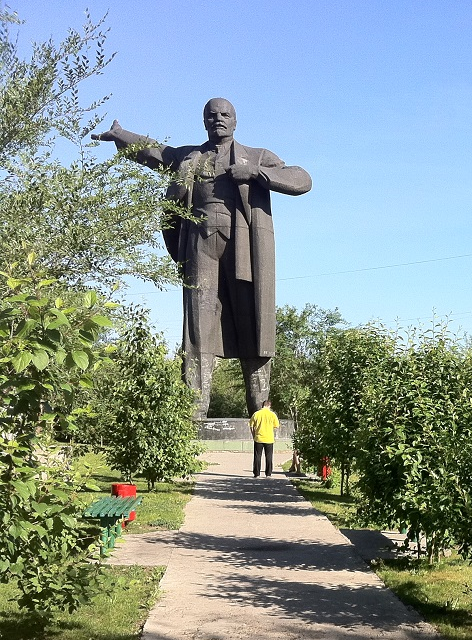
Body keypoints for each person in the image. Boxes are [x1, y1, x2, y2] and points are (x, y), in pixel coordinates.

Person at [93, 98, 312, 418]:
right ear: (204, 122)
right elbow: (156, 152)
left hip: (243, 248)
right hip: (199, 243)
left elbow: (302, 179)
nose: (218, 119)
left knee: (253, 325)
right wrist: (122, 135)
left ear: (235, 121)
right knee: (197, 326)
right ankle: (194, 413)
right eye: (212, 116)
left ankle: (260, 411)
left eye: (225, 115)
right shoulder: (190, 156)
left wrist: (256, 173)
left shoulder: (256, 156)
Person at [249, 400, 280, 478]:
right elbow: (276, 426)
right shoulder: (272, 415)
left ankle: (257, 474)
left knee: (257, 456)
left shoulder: (256, 414)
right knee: (269, 456)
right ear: (269, 406)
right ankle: (268, 474)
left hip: (258, 438)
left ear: (262, 405)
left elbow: (251, 426)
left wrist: (254, 435)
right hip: (269, 438)